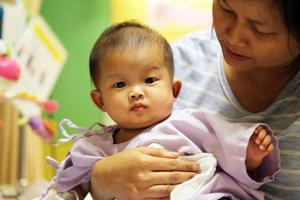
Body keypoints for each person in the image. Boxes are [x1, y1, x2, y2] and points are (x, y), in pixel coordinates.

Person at [42, 21, 279, 200]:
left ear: (174, 90)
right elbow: (72, 183)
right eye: (120, 84)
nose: (136, 92)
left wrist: (250, 153)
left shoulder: (191, 123)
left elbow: (227, 144)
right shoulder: (95, 146)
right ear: (100, 100)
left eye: (149, 80)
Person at [90, 1, 300, 200]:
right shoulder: (167, 64)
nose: (234, 38)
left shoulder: (186, 115)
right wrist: (100, 179)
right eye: (227, 9)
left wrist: (247, 153)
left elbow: (222, 139)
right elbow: (76, 181)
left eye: (261, 29)